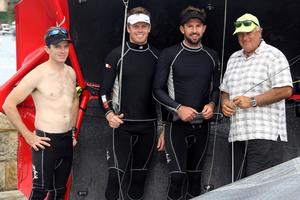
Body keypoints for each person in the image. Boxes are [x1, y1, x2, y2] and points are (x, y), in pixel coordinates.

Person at [2, 27, 79, 200]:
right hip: (45, 141)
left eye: (65, 46)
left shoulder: (70, 73)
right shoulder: (37, 75)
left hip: (66, 139)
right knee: (40, 191)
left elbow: (74, 100)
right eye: (57, 46)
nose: (62, 50)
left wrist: (73, 130)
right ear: (47, 49)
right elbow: (9, 105)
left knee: (60, 191)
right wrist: (28, 135)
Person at [153, 6, 220, 199]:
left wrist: (213, 105)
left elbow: (216, 88)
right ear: (182, 29)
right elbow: (157, 90)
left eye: (198, 26)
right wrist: (178, 108)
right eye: (190, 26)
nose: (194, 30)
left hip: (202, 127)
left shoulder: (211, 56)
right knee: (177, 178)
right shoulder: (169, 54)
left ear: (204, 29)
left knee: (195, 179)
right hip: (176, 127)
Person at [98, 7, 164, 200]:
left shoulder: (158, 57)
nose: (140, 30)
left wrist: (165, 127)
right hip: (121, 126)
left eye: (144, 26)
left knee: (138, 181)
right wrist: (109, 113)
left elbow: (165, 93)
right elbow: (103, 92)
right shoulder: (117, 55)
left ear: (149, 28)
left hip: (149, 127)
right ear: (128, 28)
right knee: (115, 177)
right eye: (136, 26)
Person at [220, 13, 293, 180]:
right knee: (237, 188)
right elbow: (225, 91)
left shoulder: (274, 55)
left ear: (259, 31)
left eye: (249, 33)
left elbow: (285, 90)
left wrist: (252, 101)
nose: (245, 38)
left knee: (259, 191)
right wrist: (225, 103)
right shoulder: (233, 58)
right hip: (237, 135)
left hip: (264, 135)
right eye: (240, 34)